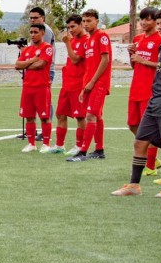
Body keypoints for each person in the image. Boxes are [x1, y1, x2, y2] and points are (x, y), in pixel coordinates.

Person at [111, 7, 161, 197]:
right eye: (157, 23)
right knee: (140, 141)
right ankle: (134, 185)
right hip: (155, 97)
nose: (159, 27)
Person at [67, 9, 113, 162]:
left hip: (99, 83)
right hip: (89, 83)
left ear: (97, 21)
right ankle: (99, 150)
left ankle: (83, 152)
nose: (86, 24)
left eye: (89, 21)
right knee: (97, 116)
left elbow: (104, 60)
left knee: (90, 116)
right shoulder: (88, 40)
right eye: (84, 21)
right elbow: (88, 65)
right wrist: (85, 85)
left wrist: (93, 82)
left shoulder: (102, 36)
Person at [127, 7, 161, 175]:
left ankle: (150, 167)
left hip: (151, 89)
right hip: (136, 87)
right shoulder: (137, 39)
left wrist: (142, 60)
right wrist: (132, 56)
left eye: (148, 19)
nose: (143, 22)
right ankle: (153, 159)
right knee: (133, 124)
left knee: (148, 127)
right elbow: (135, 65)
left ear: (156, 22)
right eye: (141, 19)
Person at [49, 15, 88, 154]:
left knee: (80, 116)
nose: (71, 30)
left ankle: (80, 146)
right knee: (60, 114)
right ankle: (60, 145)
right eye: (69, 27)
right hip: (67, 83)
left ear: (81, 25)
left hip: (78, 84)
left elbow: (76, 60)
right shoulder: (74, 40)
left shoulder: (85, 41)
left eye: (73, 26)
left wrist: (67, 43)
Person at [15, 24, 54, 152]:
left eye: (35, 32)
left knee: (44, 116)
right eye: (31, 32)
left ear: (42, 33)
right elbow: (17, 65)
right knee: (29, 116)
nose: (32, 35)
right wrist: (32, 60)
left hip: (41, 87)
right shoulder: (27, 50)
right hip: (27, 87)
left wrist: (26, 64)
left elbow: (40, 65)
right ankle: (31, 143)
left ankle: (46, 143)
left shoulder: (47, 47)